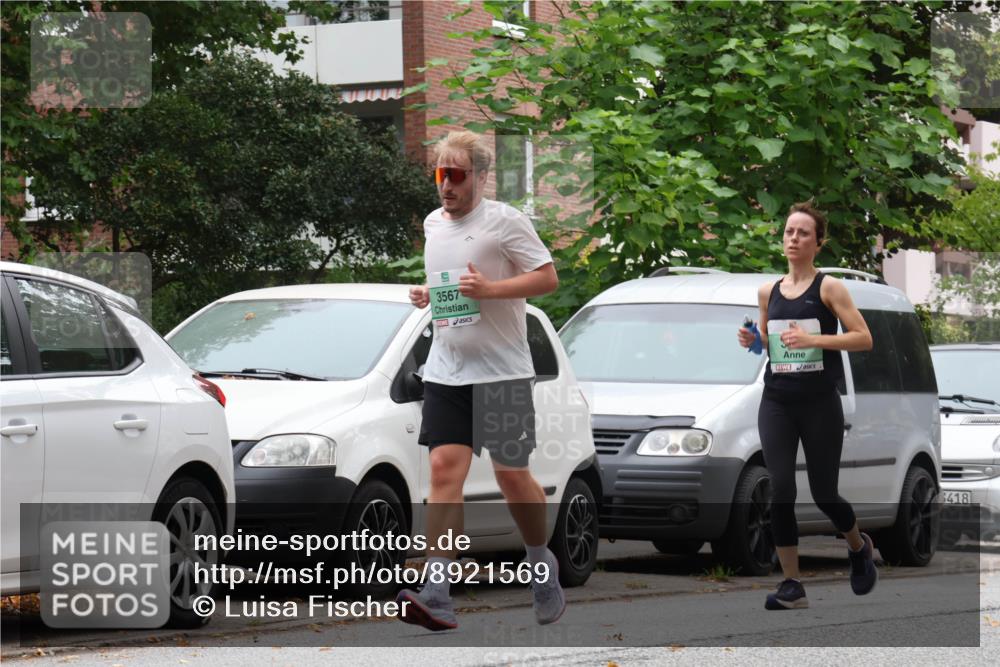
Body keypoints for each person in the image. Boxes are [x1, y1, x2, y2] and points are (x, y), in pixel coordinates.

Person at [395, 130, 563, 631]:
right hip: (447, 370)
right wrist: (430, 294)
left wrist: (491, 289)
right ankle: (437, 590)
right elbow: (454, 286)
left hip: (503, 373)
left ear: (482, 177)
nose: (445, 185)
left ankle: (540, 562)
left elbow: (547, 278)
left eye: (456, 175)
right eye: (439, 174)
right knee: (444, 472)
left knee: (512, 476)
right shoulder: (433, 224)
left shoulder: (504, 221)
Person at [736, 200, 878, 610]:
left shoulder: (829, 288)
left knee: (824, 493)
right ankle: (792, 585)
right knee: (780, 488)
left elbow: (863, 338)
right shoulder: (768, 291)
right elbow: (773, 344)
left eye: (802, 233)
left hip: (819, 402)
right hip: (777, 400)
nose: (793, 238)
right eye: (789, 232)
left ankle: (858, 547)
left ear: (818, 242)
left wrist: (814, 339)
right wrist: (755, 342)